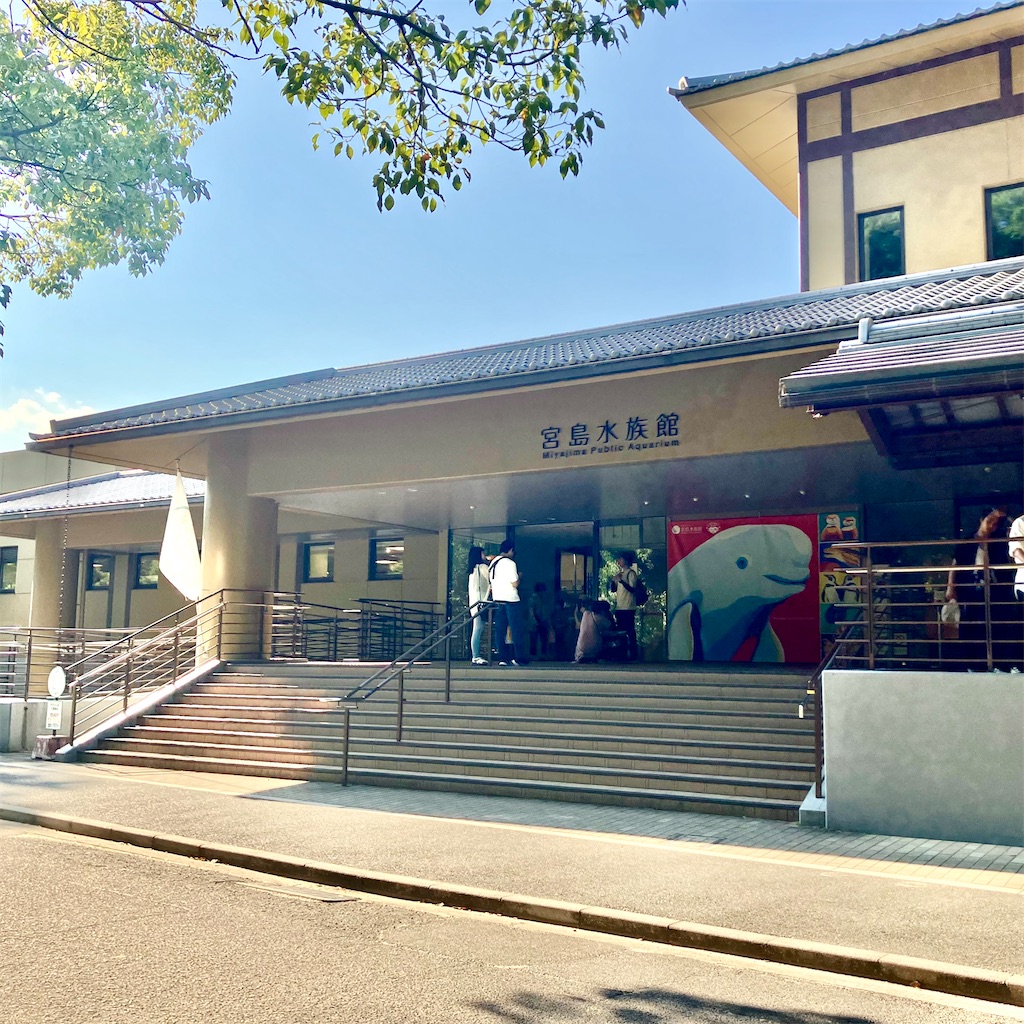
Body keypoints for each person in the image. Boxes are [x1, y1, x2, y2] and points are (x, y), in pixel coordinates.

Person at [488, 539, 530, 666]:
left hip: (498, 599)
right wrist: (520, 576)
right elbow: (515, 583)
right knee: (516, 629)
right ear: (510, 550)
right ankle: (519, 657)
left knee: (500, 630)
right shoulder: (510, 563)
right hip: (511, 600)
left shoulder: (493, 563)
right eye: (513, 551)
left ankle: (502, 658)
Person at [609, 550, 640, 661]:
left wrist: (621, 581)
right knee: (620, 631)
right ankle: (621, 652)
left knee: (629, 630)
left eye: (620, 559)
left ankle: (633, 653)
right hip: (620, 606)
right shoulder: (620, 574)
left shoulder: (631, 573)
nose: (619, 561)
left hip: (628, 607)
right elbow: (613, 590)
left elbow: (632, 589)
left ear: (625, 560)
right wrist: (613, 581)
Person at [467, 546, 491, 666]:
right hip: (481, 603)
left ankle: (475, 655)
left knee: (477, 629)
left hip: (474, 603)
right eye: (483, 553)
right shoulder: (482, 567)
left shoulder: (472, 570)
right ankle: (476, 656)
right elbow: (491, 578)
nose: (485, 555)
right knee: (478, 629)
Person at [574, 598, 609, 663]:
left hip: (581, 649)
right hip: (594, 648)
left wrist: (575, 612)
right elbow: (610, 627)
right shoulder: (600, 617)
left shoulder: (585, 614)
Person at [528, 581, 551, 659]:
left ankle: (543, 654)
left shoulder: (544, 599)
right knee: (534, 639)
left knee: (543, 639)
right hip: (536, 622)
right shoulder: (533, 599)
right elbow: (531, 611)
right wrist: (535, 621)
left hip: (542, 621)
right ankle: (534, 655)